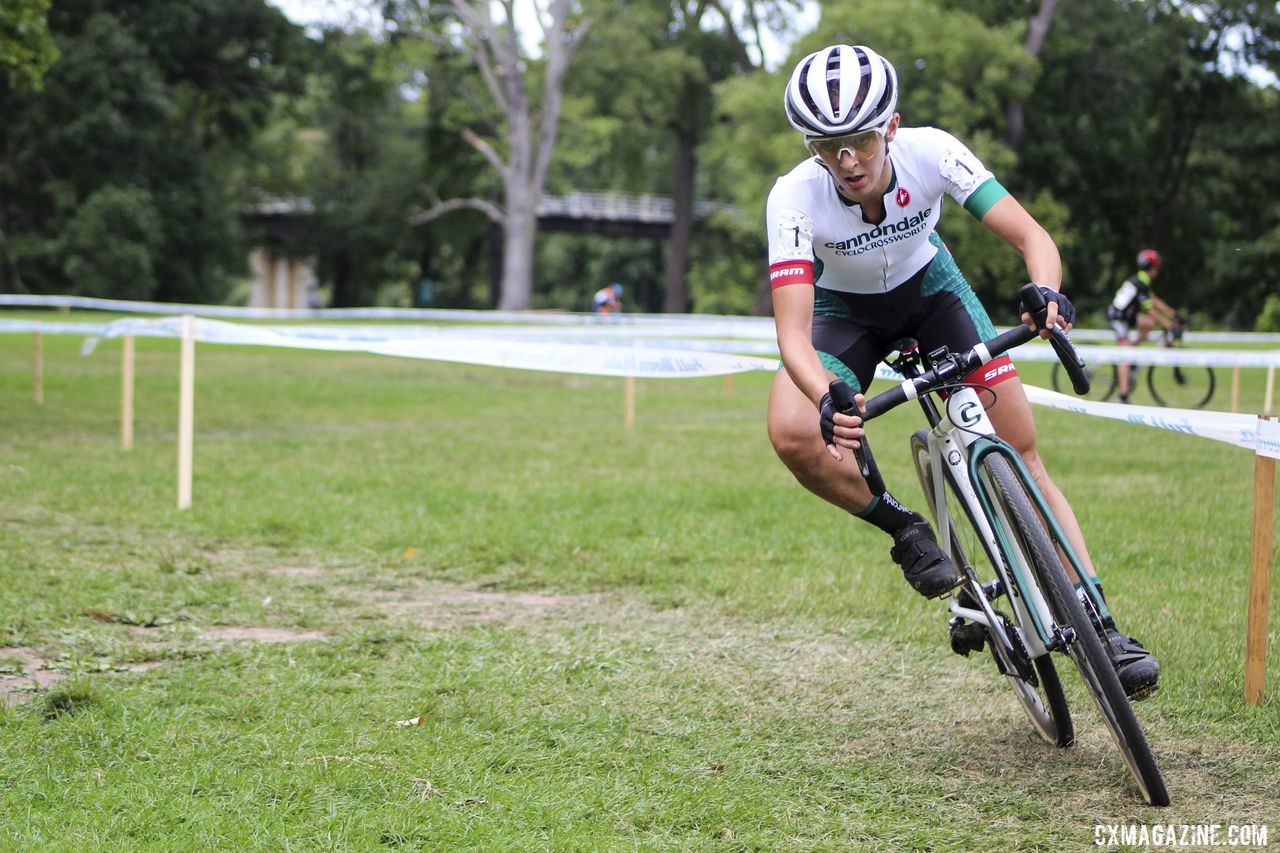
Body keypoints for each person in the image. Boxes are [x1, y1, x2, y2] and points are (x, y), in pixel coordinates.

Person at [765, 44, 1158, 699]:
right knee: (791, 429)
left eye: (860, 139)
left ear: (890, 126)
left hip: (931, 292)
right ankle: (904, 527)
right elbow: (792, 334)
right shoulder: (794, 197)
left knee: (1020, 449)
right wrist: (827, 391)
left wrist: (1047, 293)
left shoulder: (932, 151)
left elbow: (1034, 240)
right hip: (844, 313)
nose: (847, 161)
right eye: (827, 145)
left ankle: (1101, 624)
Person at [1107, 249, 1180, 403]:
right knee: (1125, 357)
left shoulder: (1141, 281)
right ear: (1152, 268)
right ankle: (1123, 395)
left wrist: (1175, 315)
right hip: (1119, 318)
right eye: (1157, 268)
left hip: (1128, 316)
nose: (1157, 271)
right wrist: (1168, 325)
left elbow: (1155, 301)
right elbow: (1150, 309)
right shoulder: (1140, 283)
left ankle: (1132, 347)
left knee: (1149, 324)